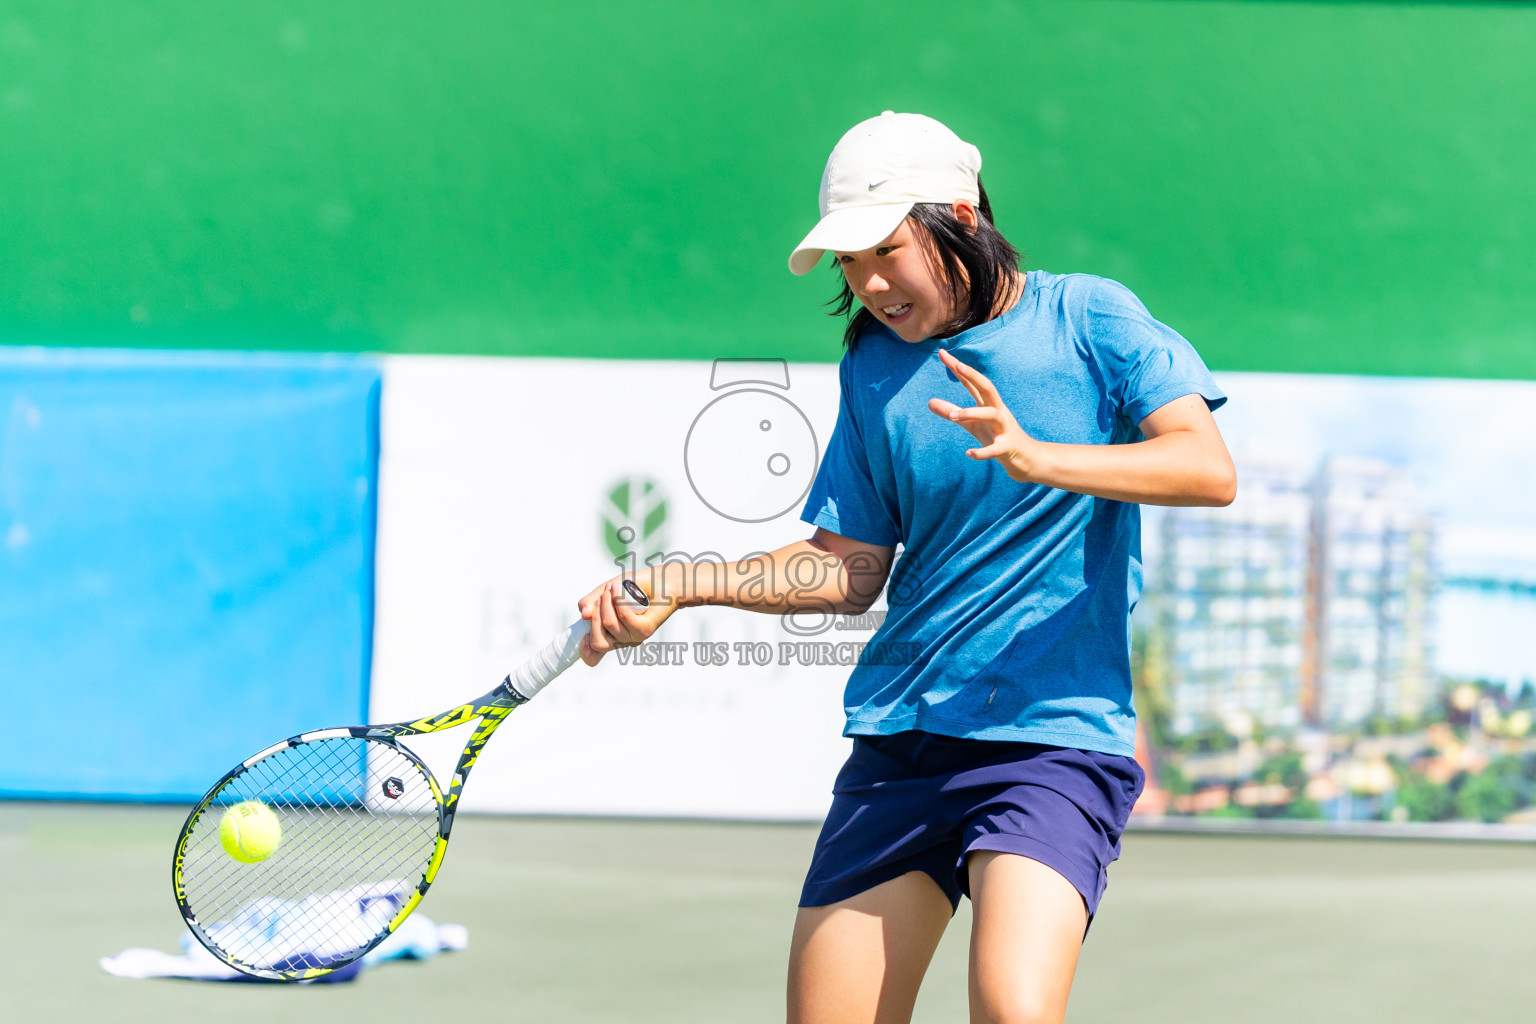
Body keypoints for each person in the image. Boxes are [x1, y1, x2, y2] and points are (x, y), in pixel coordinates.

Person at [576, 111, 1234, 1024]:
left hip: (1052, 742)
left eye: (887, 249)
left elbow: (1206, 468)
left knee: (1012, 1008)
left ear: (959, 215)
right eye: (849, 263)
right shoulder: (877, 367)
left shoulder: (1089, 316)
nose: (871, 282)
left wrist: (1039, 455)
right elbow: (845, 568)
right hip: (905, 741)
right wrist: (682, 585)